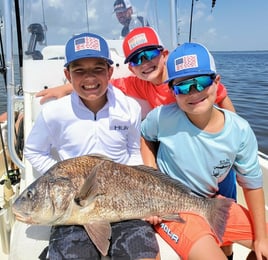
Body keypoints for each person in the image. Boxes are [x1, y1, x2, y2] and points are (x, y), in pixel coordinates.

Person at [35, 27, 236, 258]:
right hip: (173, 164)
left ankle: (226, 249)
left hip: (216, 159)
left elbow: (232, 121)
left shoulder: (192, 80)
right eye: (136, 60)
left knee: (225, 228)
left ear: (164, 53)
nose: (144, 63)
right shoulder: (137, 84)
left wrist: (235, 145)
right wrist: (64, 89)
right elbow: (96, 82)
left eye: (149, 55)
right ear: (130, 67)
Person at [23, 32, 159, 260]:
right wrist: (63, 175)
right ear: (67, 75)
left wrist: (144, 196)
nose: (89, 78)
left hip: (124, 199)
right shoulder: (53, 113)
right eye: (79, 70)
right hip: (72, 208)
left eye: (98, 69)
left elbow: (134, 152)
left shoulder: (129, 108)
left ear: (110, 71)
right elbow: (33, 151)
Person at [141, 42, 268, 260]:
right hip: (174, 209)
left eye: (201, 82)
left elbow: (252, 184)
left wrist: (261, 238)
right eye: (182, 87)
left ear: (216, 82)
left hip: (212, 202)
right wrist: (150, 180)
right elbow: (145, 136)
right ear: (172, 91)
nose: (193, 92)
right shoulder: (161, 117)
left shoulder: (240, 129)